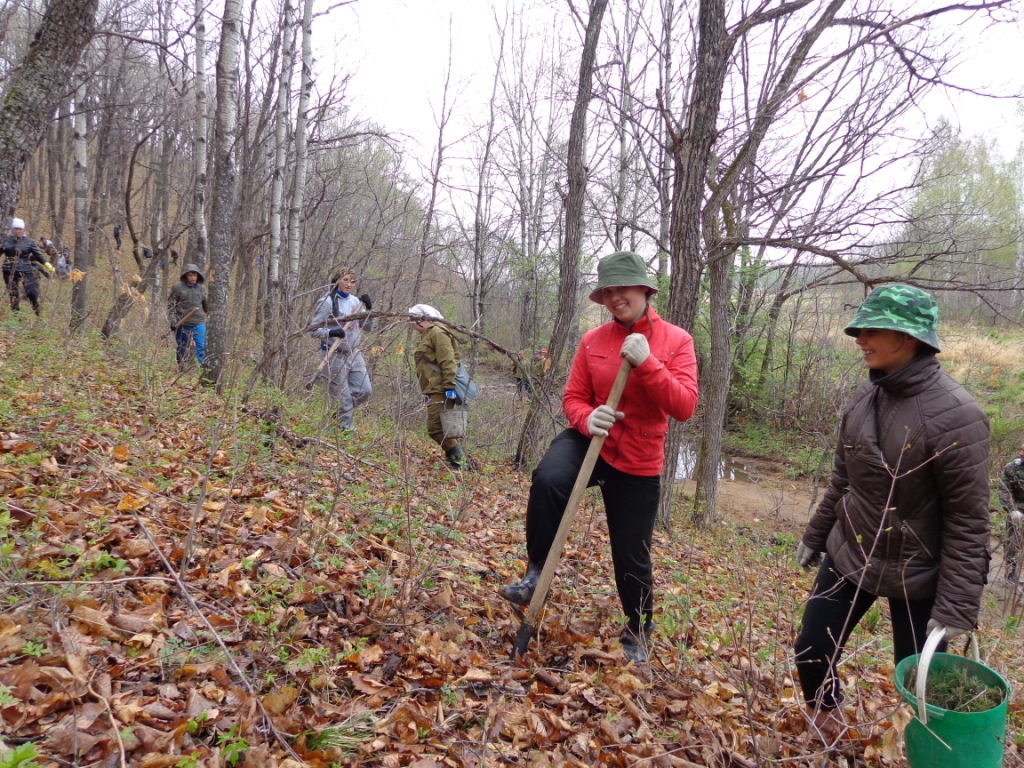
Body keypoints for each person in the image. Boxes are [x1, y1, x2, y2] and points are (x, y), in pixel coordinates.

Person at [794, 284, 990, 744]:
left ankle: (923, 751)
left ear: (910, 338)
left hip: (920, 572)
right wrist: (816, 535)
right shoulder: (865, 397)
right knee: (811, 648)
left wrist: (957, 606)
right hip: (853, 551)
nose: (859, 338)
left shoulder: (958, 415)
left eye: (872, 329)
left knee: (922, 685)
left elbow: (968, 521)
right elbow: (843, 481)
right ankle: (828, 730)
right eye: (859, 329)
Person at [498, 251, 699, 663]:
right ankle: (536, 573)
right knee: (549, 478)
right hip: (590, 440)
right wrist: (589, 418)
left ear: (645, 289)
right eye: (608, 291)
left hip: (639, 455)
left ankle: (638, 629)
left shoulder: (677, 341)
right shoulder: (592, 341)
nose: (614, 297)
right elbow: (572, 398)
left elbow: (684, 406)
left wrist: (648, 364)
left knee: (631, 552)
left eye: (622, 288)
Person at [308, 269, 374, 431]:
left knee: (364, 391)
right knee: (343, 398)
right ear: (337, 281)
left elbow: (368, 328)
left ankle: (338, 416)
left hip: (353, 352)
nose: (349, 284)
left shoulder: (356, 302)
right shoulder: (327, 301)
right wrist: (331, 332)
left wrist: (369, 310)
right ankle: (346, 432)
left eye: (352, 281)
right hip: (333, 353)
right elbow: (312, 330)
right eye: (345, 280)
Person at [409, 303, 468, 470]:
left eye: (412, 321)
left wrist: (449, 388)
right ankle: (456, 461)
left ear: (421, 319)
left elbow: (448, 361)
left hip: (441, 389)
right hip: (433, 389)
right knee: (443, 427)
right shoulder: (430, 333)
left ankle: (458, 462)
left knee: (435, 428)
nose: (412, 326)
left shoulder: (437, 332)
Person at [2, 217, 52, 316]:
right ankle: (16, 318)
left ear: (23, 230)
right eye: (16, 228)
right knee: (14, 295)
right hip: (8, 269)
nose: (18, 231)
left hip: (26, 268)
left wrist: (48, 265)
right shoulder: (5, 241)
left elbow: (38, 255)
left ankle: (38, 314)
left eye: (20, 229)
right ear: (12, 229)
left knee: (32, 293)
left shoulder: (29, 241)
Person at [167, 264, 209, 368]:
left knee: (201, 346)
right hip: (182, 323)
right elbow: (171, 306)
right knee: (182, 347)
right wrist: (173, 322)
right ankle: (181, 367)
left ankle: (202, 371)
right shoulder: (177, 288)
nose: (193, 278)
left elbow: (206, 306)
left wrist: (210, 317)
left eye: (195, 275)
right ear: (186, 276)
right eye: (190, 275)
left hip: (198, 322)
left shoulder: (202, 288)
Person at [998, 443, 1024, 582]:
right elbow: (1004, 490)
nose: (1021, 454)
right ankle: (1011, 572)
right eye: (1021, 450)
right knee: (1014, 539)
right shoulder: (1012, 468)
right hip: (1017, 509)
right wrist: (1011, 509)